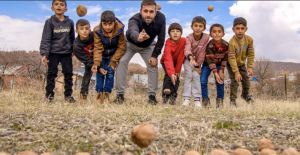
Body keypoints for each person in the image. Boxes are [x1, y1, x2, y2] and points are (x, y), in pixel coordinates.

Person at [113, 0, 166, 105]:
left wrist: (155, 56)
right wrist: (138, 37)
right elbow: (133, 30)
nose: (148, 15)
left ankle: (152, 96)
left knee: (153, 64)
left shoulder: (161, 19)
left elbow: (161, 39)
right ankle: (119, 95)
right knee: (122, 61)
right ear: (140, 11)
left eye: (151, 12)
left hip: (148, 45)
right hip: (131, 43)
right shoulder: (133, 19)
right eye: (145, 11)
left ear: (155, 12)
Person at [40, 0, 75, 103]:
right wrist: (44, 54)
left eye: (62, 4)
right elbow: (46, 38)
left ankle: (68, 96)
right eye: (56, 4)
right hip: (53, 52)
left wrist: (72, 49)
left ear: (66, 9)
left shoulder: (70, 22)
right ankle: (49, 96)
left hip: (66, 53)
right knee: (51, 74)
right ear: (52, 8)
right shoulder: (49, 22)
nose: (59, 6)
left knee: (68, 74)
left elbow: (72, 37)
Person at [91, 10, 126, 104]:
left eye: (110, 24)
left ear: (114, 23)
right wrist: (97, 63)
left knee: (110, 73)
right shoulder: (97, 31)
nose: (107, 27)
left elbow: (122, 46)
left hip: (113, 55)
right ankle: (99, 94)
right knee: (100, 73)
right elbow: (98, 47)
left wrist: (114, 61)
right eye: (104, 24)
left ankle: (106, 94)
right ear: (101, 23)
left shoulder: (120, 30)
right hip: (101, 54)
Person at [227, 17, 255, 107]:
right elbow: (231, 58)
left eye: (242, 28)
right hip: (232, 64)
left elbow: (251, 54)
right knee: (235, 81)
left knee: (246, 81)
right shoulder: (232, 42)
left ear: (246, 29)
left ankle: (245, 95)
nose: (240, 31)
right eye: (237, 28)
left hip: (242, 63)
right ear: (233, 29)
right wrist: (236, 72)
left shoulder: (249, 40)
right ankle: (232, 101)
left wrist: (250, 67)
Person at [182, 16, 209, 107]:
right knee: (189, 76)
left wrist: (197, 66)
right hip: (188, 59)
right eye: (195, 26)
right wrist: (190, 57)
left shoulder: (205, 37)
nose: (198, 28)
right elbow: (187, 49)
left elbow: (202, 52)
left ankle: (197, 99)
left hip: (198, 61)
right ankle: (186, 98)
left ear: (204, 28)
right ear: (191, 26)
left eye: (200, 26)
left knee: (196, 76)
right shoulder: (189, 37)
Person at [200, 23, 229, 108]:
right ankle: (205, 101)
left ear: (223, 34)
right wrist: (215, 74)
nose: (217, 34)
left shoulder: (226, 45)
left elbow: (225, 59)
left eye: (219, 32)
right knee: (202, 80)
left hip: (220, 64)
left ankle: (219, 102)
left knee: (220, 81)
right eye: (214, 32)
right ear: (210, 34)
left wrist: (221, 71)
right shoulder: (210, 45)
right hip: (208, 64)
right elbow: (211, 60)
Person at [160, 23, 186, 105]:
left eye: (178, 31)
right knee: (169, 75)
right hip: (166, 62)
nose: (175, 33)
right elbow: (168, 59)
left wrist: (177, 69)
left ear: (181, 33)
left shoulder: (183, 41)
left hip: (177, 62)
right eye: (172, 31)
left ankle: (173, 98)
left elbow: (182, 56)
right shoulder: (168, 44)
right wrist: (171, 73)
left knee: (177, 78)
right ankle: (165, 95)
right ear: (169, 34)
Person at [73, 19, 94, 103]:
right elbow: (85, 60)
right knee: (87, 74)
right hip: (88, 60)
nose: (84, 31)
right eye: (81, 29)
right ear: (77, 31)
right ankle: (83, 96)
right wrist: (93, 65)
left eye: (86, 28)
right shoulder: (76, 45)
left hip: (98, 57)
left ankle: (102, 94)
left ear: (90, 30)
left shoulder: (93, 36)